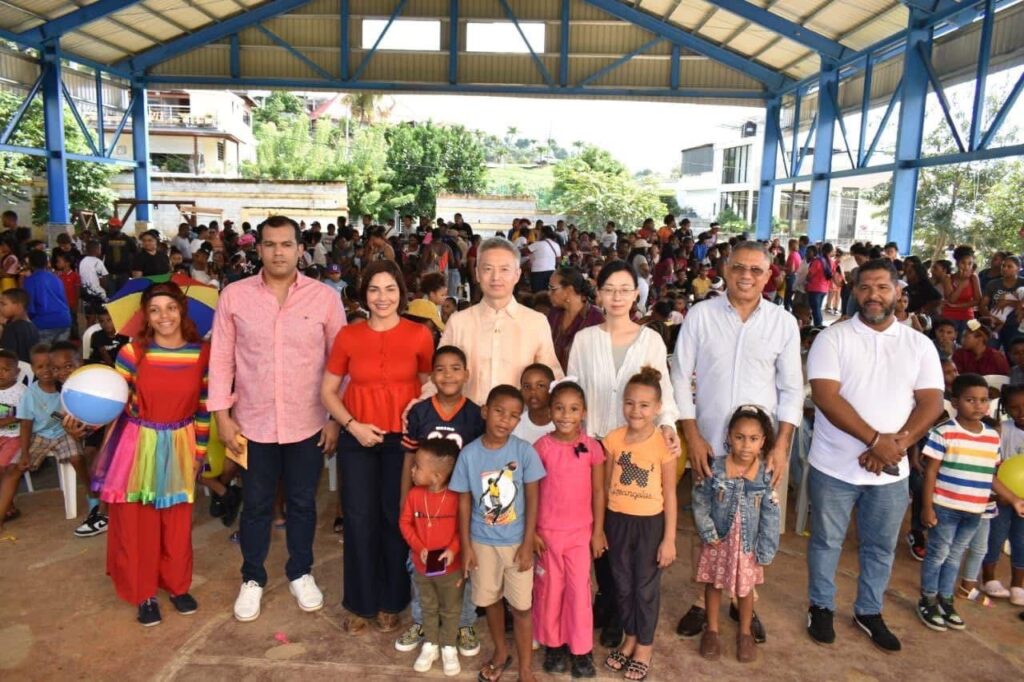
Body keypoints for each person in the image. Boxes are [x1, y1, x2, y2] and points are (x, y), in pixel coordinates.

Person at [210, 216, 345, 623]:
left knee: (303, 503)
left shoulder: (324, 298)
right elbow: (220, 359)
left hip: (308, 421)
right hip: (253, 424)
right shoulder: (234, 297)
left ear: (300, 249)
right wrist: (223, 416)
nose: (278, 252)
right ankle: (252, 577)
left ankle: (300, 572)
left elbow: (340, 363)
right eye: (270, 244)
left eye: (286, 244)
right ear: (259, 249)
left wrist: (335, 418)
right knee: (256, 504)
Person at [805, 258, 944, 652]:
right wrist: (875, 441)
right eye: (865, 287)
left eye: (883, 287)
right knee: (827, 541)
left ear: (898, 292)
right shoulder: (833, 338)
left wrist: (894, 445)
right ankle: (821, 606)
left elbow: (932, 402)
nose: (873, 295)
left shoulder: (918, 344)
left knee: (880, 546)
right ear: (853, 291)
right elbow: (826, 397)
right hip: (833, 465)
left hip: (891, 470)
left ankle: (868, 611)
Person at [670, 241, 802, 642]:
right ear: (724, 270)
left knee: (754, 524)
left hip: (759, 450)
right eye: (739, 268)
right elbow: (679, 375)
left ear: (769, 275)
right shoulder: (701, 315)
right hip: (709, 443)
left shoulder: (783, 323)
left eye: (756, 270)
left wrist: (779, 446)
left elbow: (792, 389)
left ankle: (744, 597)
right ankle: (700, 599)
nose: (747, 276)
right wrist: (692, 434)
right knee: (708, 521)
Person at [567, 259, 681, 647]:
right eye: (608, 289)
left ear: (636, 294)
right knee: (597, 526)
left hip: (636, 450)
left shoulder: (650, 340)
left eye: (624, 289)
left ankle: (619, 611)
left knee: (627, 529)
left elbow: (663, 395)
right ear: (598, 293)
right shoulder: (585, 339)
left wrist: (667, 427)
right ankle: (608, 597)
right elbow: (574, 392)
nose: (616, 297)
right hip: (595, 446)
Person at [81, 283, 208, 625]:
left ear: (182, 310)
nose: (164, 316)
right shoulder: (133, 353)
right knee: (139, 520)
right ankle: (144, 593)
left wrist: (198, 452)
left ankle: (178, 586)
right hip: (137, 445)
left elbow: (204, 408)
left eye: (170, 307)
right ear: (145, 316)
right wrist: (82, 416)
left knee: (177, 520)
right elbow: (113, 401)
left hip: (181, 443)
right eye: (155, 309)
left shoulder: (202, 354)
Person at [321, 258, 434, 634]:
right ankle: (359, 603)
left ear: (401, 293)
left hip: (401, 443)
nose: (382, 297)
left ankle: (393, 601)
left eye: (390, 289)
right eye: (374, 289)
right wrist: (351, 426)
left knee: (395, 518)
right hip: (359, 439)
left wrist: (414, 426)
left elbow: (428, 385)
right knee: (358, 519)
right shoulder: (348, 336)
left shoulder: (419, 334)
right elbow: (328, 391)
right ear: (363, 294)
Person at [449, 385, 545, 682]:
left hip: (516, 543)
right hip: (482, 542)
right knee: (489, 600)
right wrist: (467, 546)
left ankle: (526, 669)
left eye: (514, 415)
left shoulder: (523, 452)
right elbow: (464, 500)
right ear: (485, 412)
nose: (505, 420)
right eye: (499, 411)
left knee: (521, 607)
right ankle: (502, 652)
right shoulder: (469, 454)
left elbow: (532, 498)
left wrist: (528, 542)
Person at [396, 345, 485, 658]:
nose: (448, 375)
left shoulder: (475, 414)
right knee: (420, 564)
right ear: (431, 375)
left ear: (467, 374)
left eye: (455, 368)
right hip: (425, 506)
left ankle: (463, 623)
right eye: (441, 369)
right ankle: (423, 622)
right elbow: (409, 459)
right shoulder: (420, 412)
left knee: (462, 565)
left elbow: (479, 461)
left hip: (461, 504)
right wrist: (406, 498)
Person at [917, 373, 1023, 631]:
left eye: (984, 400)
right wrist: (927, 506)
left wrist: (1013, 499)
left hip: (975, 510)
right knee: (939, 553)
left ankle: (946, 599)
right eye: (970, 400)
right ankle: (928, 598)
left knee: (955, 557)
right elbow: (930, 471)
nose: (978, 405)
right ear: (955, 402)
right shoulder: (944, 432)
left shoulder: (991, 437)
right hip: (945, 506)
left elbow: (991, 476)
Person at [602, 367, 677, 682]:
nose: (636, 410)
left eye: (645, 405)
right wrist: (602, 527)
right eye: (630, 403)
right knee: (621, 582)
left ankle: (644, 645)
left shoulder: (664, 443)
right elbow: (605, 487)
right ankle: (630, 636)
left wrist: (669, 539)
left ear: (658, 408)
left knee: (645, 587)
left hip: (650, 525)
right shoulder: (613, 439)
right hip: (617, 521)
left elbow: (671, 494)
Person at [693, 405, 781, 663]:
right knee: (713, 583)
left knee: (745, 590)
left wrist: (765, 547)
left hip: (747, 546)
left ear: (763, 442)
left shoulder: (765, 476)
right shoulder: (715, 469)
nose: (745, 445)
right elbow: (700, 502)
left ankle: (744, 634)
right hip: (718, 542)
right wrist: (708, 532)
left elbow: (771, 514)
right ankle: (711, 630)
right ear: (729, 437)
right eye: (739, 437)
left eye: (753, 439)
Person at [431, 237, 561, 406]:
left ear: (517, 274)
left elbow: (552, 376)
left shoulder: (536, 322)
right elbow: (439, 374)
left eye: (504, 269)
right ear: (477, 273)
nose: (496, 277)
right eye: (488, 269)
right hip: (467, 423)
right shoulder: (458, 322)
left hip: (519, 424)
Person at [532, 380, 605, 678]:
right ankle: (554, 645)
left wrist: (598, 531)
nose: (565, 415)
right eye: (559, 408)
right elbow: (532, 492)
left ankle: (581, 649)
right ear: (550, 411)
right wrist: (532, 532)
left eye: (573, 409)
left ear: (583, 412)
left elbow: (599, 492)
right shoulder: (541, 447)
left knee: (578, 591)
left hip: (579, 534)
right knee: (550, 590)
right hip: (547, 534)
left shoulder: (592, 447)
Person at [399, 438, 464, 677]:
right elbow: (405, 523)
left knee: (450, 607)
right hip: (422, 567)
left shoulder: (456, 497)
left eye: (417, 466)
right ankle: (431, 644)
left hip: (451, 568)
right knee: (427, 605)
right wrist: (418, 547)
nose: (412, 470)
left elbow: (462, 529)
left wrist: (453, 550)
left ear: (436, 477)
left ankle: (448, 646)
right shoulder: (415, 495)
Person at [981, 383, 1024, 602]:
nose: (1022, 413)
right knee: (995, 536)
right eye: (1015, 408)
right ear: (1006, 408)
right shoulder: (1003, 430)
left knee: (1021, 540)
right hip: (1001, 496)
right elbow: (993, 463)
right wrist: (1004, 493)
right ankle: (989, 578)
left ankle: (1018, 585)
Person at [546, 267, 604, 373]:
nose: (549, 293)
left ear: (569, 291)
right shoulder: (554, 314)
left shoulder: (596, 318)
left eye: (553, 289)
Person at [22, 250, 71, 343]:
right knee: (59, 354)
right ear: (46, 262)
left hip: (43, 323)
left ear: (30, 264)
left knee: (43, 355)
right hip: (64, 320)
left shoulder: (29, 281)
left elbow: (30, 309)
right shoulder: (56, 278)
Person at [0, 350, 25, 523]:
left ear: (17, 372)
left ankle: (7, 506)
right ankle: (8, 506)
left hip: (15, 436)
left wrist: (9, 420)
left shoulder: (22, 391)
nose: (0, 374)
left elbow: (27, 416)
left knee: (3, 466)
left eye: (5, 369)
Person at [938, 245, 982, 335]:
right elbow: (951, 300)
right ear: (957, 263)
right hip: (949, 315)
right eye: (963, 263)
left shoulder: (974, 277)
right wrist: (962, 284)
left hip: (968, 315)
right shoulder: (948, 278)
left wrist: (957, 306)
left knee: (976, 335)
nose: (966, 266)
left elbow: (978, 300)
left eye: (970, 263)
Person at [512, 364, 555, 444]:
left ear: (551, 389)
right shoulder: (516, 424)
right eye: (527, 386)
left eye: (540, 386)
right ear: (521, 391)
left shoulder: (562, 423)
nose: (533, 391)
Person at [0, 288, 40, 362]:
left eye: (3, 304)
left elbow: (6, 358)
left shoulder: (11, 329)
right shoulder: (32, 327)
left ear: (18, 306)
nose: (0, 307)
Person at [525, 226, 562, 293]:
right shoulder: (556, 245)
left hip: (538, 273)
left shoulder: (537, 244)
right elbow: (558, 260)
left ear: (543, 234)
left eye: (539, 233)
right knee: (549, 293)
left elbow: (523, 251)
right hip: (551, 272)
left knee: (537, 294)